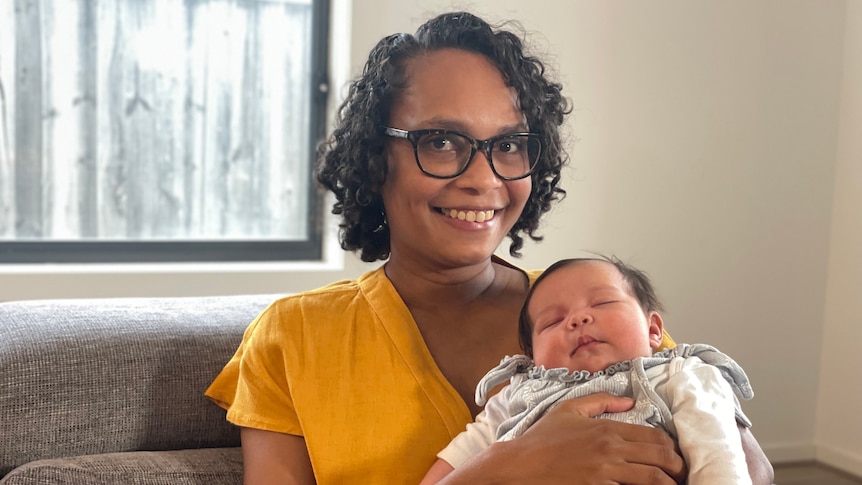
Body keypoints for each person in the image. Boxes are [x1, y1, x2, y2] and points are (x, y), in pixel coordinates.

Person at [205, 11, 773, 484]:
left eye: (508, 144)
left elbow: (744, 461)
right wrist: (505, 469)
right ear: (376, 158)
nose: (483, 179)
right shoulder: (294, 336)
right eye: (443, 141)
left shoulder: (591, 303)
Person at [421, 256, 756, 484]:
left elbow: (717, 452)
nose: (578, 319)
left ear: (654, 330)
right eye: (552, 320)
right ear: (533, 358)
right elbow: (458, 464)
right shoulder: (517, 396)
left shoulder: (681, 374)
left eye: (603, 303)